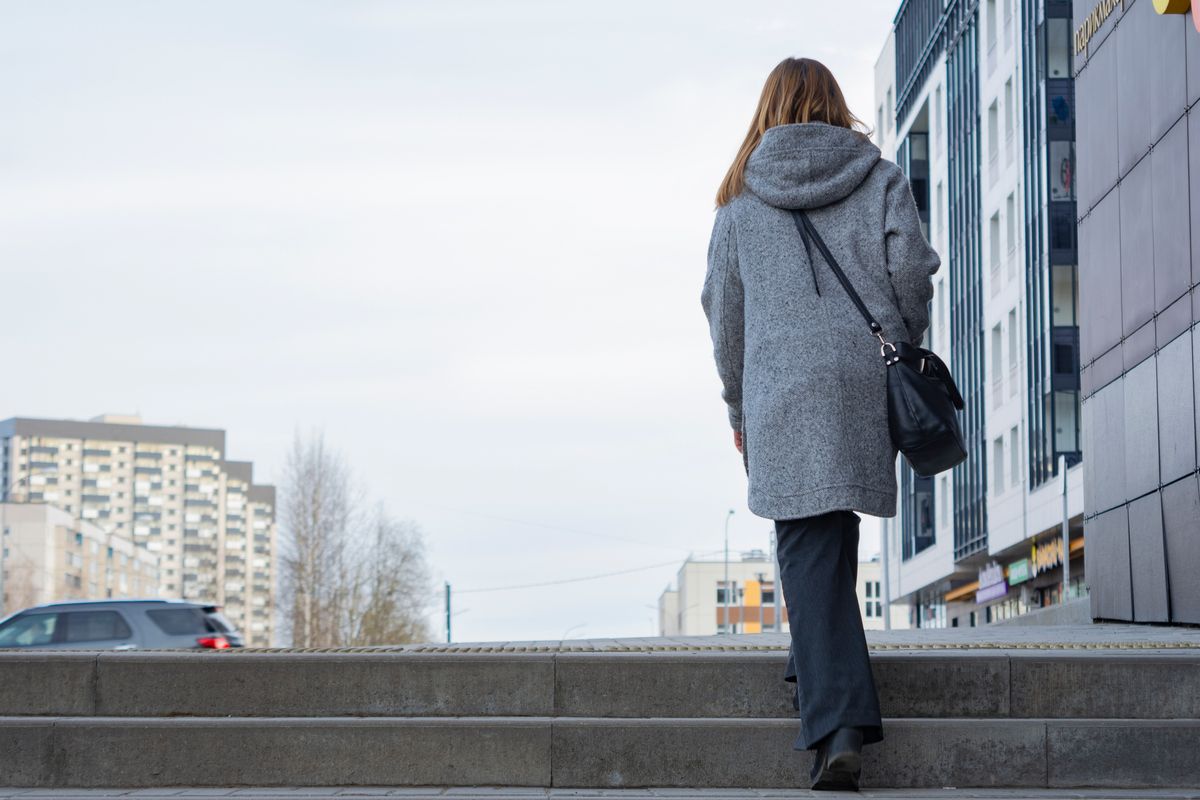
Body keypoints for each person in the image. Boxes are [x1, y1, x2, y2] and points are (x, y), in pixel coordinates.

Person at [700, 57, 939, 792]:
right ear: (835, 106)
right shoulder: (882, 179)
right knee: (828, 529)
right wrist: (905, 340)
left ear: (768, 111)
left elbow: (724, 317)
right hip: (861, 379)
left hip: (779, 390)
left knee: (804, 535)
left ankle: (837, 726)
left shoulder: (738, 209)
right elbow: (910, 273)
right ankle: (811, 665)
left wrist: (737, 405)